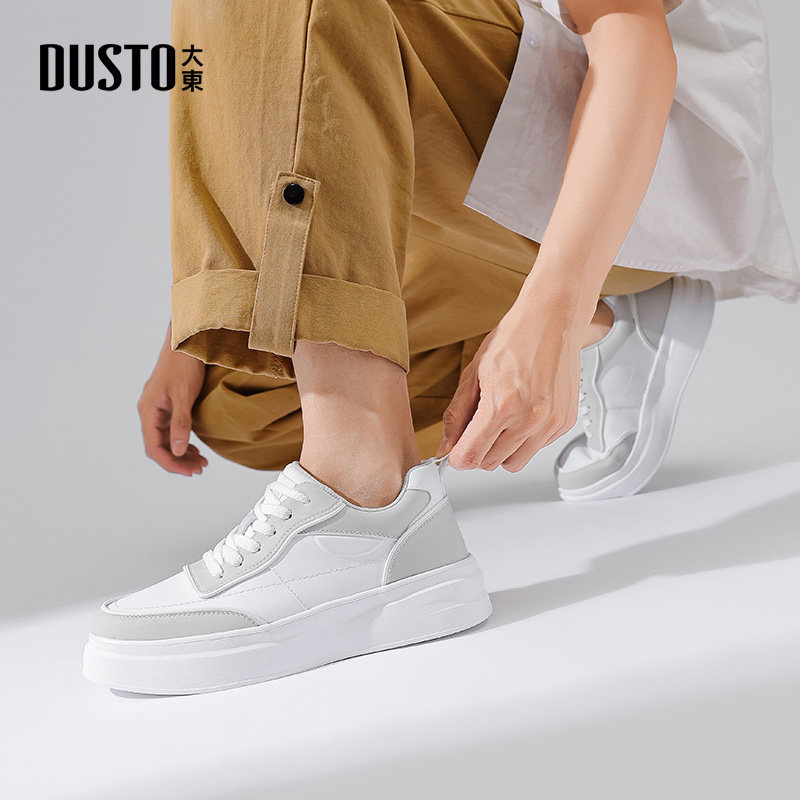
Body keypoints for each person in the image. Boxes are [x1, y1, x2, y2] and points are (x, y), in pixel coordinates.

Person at [83, 0, 798, 694]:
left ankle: (362, 500)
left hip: (643, 168)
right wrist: (195, 328)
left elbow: (633, 47)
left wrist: (555, 309)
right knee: (237, 398)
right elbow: (284, 98)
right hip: (489, 176)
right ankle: (607, 321)